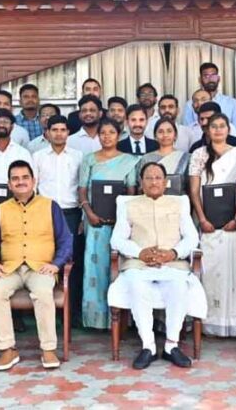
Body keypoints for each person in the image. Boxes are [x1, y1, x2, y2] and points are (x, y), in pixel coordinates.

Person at [109, 162, 205, 370]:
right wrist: (139, 252)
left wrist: (173, 253)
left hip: (172, 263)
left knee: (179, 286)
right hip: (139, 264)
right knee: (136, 285)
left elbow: (191, 237)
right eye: (149, 178)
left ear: (165, 182)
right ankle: (148, 346)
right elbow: (116, 239)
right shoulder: (129, 205)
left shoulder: (179, 204)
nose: (154, 182)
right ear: (141, 183)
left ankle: (171, 345)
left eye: (158, 178)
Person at [0, 160, 73, 371]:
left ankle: (48, 349)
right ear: (9, 184)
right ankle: (7, 349)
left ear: (34, 181)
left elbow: (66, 240)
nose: (20, 182)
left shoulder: (50, 206)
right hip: (9, 268)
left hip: (41, 268)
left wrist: (57, 264)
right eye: (15, 179)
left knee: (42, 292)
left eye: (25, 178)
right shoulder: (0, 210)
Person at [189, 113, 236, 337]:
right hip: (206, 224)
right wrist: (202, 219)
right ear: (207, 130)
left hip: (231, 225)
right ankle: (208, 323)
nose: (217, 130)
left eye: (222, 126)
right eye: (213, 126)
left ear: (228, 129)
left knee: (232, 273)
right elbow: (194, 190)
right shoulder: (199, 154)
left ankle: (233, 324)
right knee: (209, 271)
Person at [77, 118, 138, 329]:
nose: (107, 136)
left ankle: (121, 321)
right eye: (103, 133)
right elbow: (82, 190)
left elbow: (131, 192)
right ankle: (96, 319)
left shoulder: (129, 161)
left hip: (121, 226)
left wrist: (123, 220)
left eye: (111, 132)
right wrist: (89, 213)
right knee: (96, 269)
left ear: (119, 135)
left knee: (121, 269)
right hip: (95, 224)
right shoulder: (89, 160)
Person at [32, 114, 85, 325]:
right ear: (47, 133)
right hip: (45, 213)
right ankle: (49, 311)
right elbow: (34, 188)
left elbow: (83, 188)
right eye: (54, 130)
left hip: (72, 213)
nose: (59, 134)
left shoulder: (78, 156)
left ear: (68, 133)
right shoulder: (37, 157)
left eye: (63, 130)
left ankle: (72, 312)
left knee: (72, 262)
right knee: (47, 260)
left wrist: (82, 217)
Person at [183, 62, 236, 131]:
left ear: (218, 79)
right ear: (200, 80)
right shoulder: (191, 104)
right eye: (206, 76)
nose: (210, 79)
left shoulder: (231, 103)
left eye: (213, 76)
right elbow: (187, 130)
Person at [137, 117, 190, 193]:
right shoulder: (146, 158)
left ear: (175, 135)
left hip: (179, 199)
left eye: (169, 131)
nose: (165, 135)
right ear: (155, 136)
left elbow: (190, 186)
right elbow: (141, 186)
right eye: (160, 132)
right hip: (151, 199)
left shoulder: (186, 158)